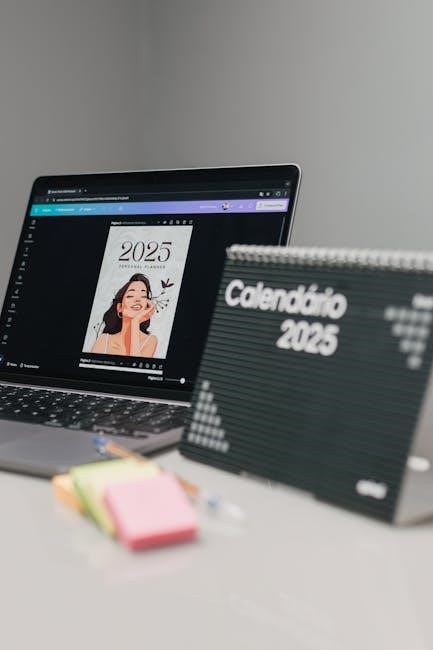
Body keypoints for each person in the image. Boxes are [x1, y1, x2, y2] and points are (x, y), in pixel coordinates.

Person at [91, 273, 158, 358]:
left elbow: (136, 365)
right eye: (130, 296)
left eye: (143, 296)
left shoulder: (150, 341)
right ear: (119, 308)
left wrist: (135, 322)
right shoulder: (103, 340)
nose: (138, 299)